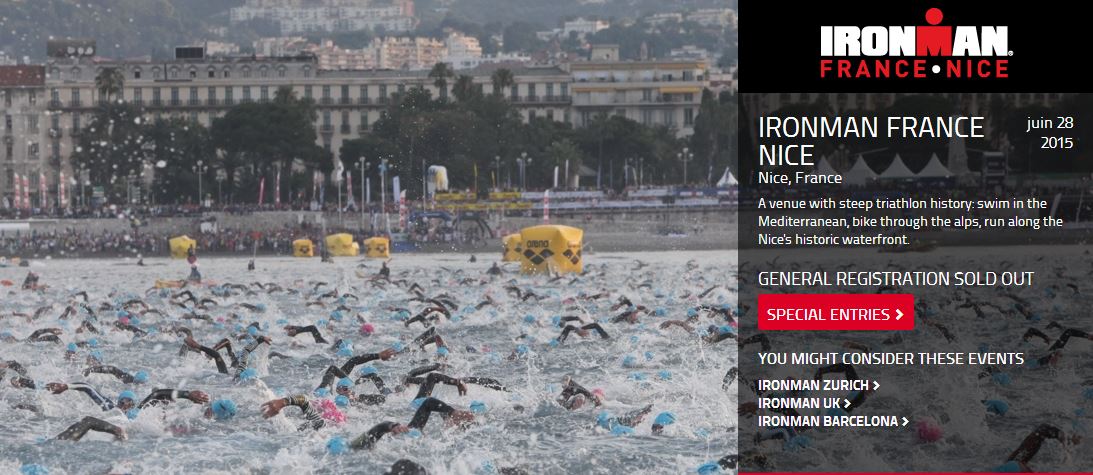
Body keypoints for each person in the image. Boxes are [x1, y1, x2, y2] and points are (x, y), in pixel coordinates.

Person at [996, 424, 1081, 472]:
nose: (1027, 467)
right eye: (1025, 469)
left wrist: (1067, 440)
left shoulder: (1015, 461)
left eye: (1024, 466)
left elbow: (1042, 430)